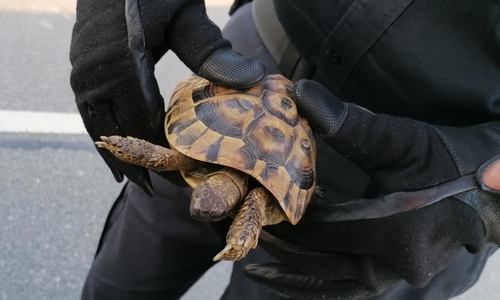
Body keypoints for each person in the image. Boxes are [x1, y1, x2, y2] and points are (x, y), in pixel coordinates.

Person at [69, 0, 500, 299]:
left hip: (420, 176)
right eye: (209, 200)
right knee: (118, 284)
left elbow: (248, 194)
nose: (202, 203)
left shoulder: (255, 199)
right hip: (242, 68)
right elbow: (169, 157)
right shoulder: (193, 165)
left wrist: (486, 184)